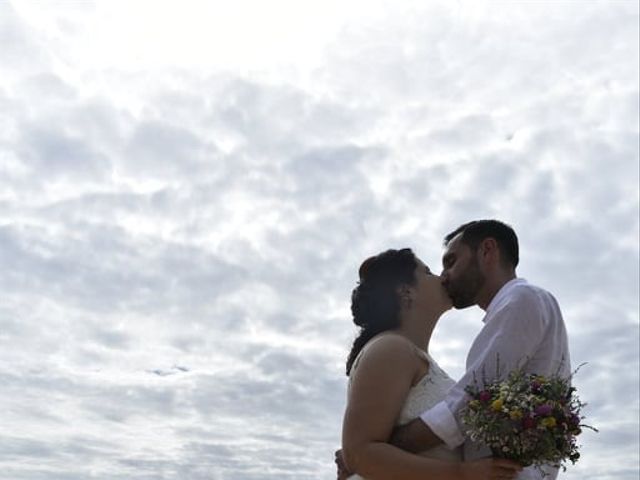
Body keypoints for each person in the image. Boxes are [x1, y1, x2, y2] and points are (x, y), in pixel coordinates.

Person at [386, 220, 572, 480]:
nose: (444, 276)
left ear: (487, 251)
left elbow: (468, 405)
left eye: (451, 261)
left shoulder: (522, 299)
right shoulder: (521, 304)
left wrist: (379, 452)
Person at [340, 247, 523, 480]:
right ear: (406, 292)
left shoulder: (412, 356)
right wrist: (463, 474)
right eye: (427, 272)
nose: (441, 276)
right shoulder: (391, 348)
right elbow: (360, 454)